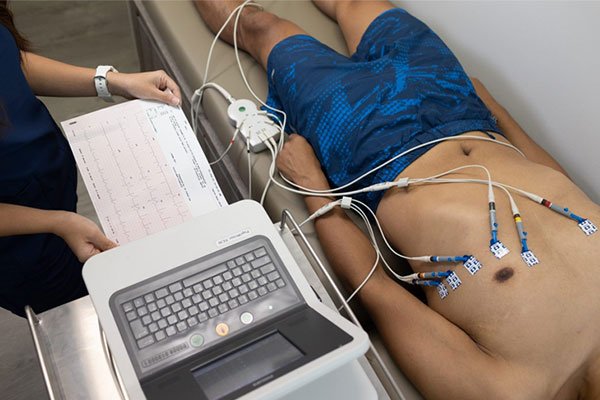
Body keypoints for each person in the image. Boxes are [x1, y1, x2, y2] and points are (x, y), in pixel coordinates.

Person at [194, 1, 600, 398]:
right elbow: (563, 189)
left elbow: (377, 291)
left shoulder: (509, 387)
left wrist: (313, 185)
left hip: (371, 146)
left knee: (262, 27)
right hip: (463, 108)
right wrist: (498, 111)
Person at [0, 2, 181, 317]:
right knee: (91, 312)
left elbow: (10, 65)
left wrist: (111, 81)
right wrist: (57, 223)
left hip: (47, 192)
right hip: (22, 247)